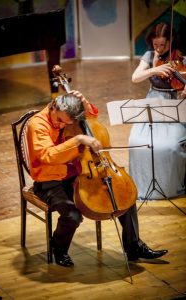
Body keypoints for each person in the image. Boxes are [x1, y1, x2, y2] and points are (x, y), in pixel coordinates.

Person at [27, 89, 168, 267]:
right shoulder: (37, 125)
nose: (63, 125)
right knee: (72, 215)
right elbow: (48, 155)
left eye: (67, 122)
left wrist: (83, 101)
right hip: (50, 181)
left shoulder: (66, 116)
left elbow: (92, 114)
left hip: (78, 175)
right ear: (53, 107)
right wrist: (78, 139)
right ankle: (58, 249)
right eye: (61, 121)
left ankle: (134, 247)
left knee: (125, 195)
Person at [130, 22, 186, 200]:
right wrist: (154, 68)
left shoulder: (181, 57)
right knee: (136, 142)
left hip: (175, 104)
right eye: (156, 45)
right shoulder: (148, 56)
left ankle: (170, 186)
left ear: (171, 42)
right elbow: (135, 78)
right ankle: (142, 186)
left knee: (170, 146)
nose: (159, 49)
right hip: (154, 102)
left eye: (163, 45)